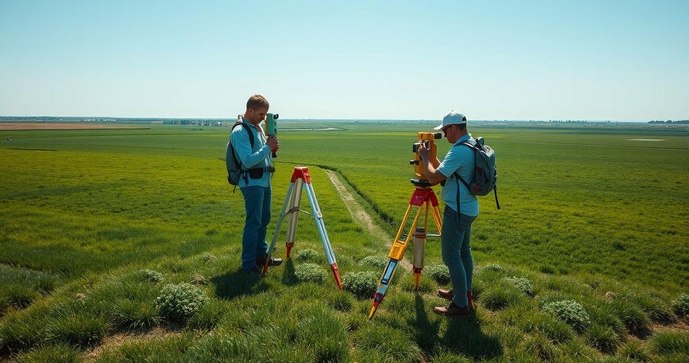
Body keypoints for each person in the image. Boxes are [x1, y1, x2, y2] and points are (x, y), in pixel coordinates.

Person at [417, 110, 479, 316]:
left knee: (451, 257)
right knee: (463, 253)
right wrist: (432, 159)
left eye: (445, 131)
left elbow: (434, 178)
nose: (444, 135)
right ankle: (463, 292)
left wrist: (425, 157)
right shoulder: (471, 146)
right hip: (468, 208)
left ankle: (460, 305)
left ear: (454, 128)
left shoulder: (459, 151)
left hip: (457, 210)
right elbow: (444, 172)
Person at [231, 94, 282, 275]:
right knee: (253, 222)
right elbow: (247, 161)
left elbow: (262, 154)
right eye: (261, 114)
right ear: (250, 110)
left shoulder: (257, 129)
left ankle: (261, 255)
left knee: (264, 219)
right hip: (251, 182)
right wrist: (267, 147)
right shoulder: (240, 132)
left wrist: (271, 150)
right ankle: (248, 264)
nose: (263, 118)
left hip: (264, 181)